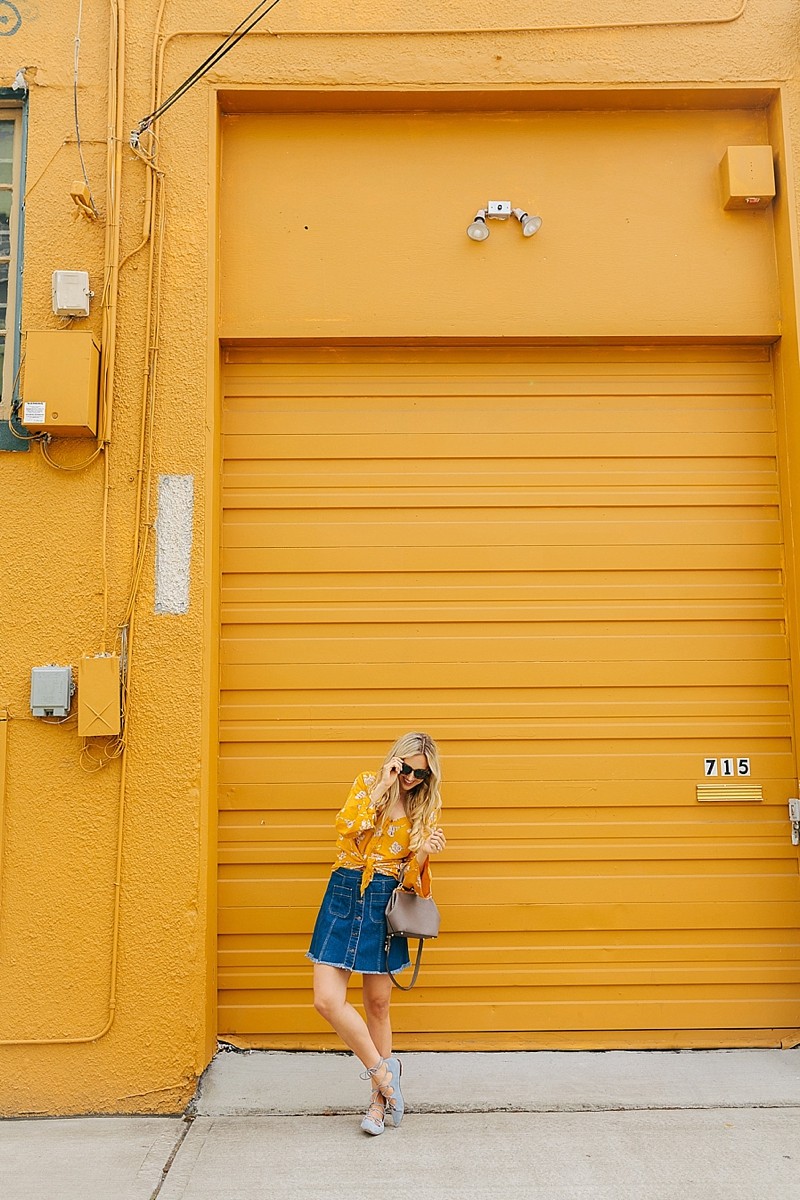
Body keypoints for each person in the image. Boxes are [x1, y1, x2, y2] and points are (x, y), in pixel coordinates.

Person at [307, 731, 446, 1136]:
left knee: (378, 1004)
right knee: (326, 1000)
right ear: (395, 760)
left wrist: (423, 855)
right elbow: (345, 828)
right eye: (407, 768)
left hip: (384, 901)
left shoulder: (423, 809)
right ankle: (386, 1076)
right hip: (345, 892)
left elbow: (411, 884)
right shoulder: (368, 783)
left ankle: (377, 1102)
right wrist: (382, 787)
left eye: (421, 773)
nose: (412, 778)